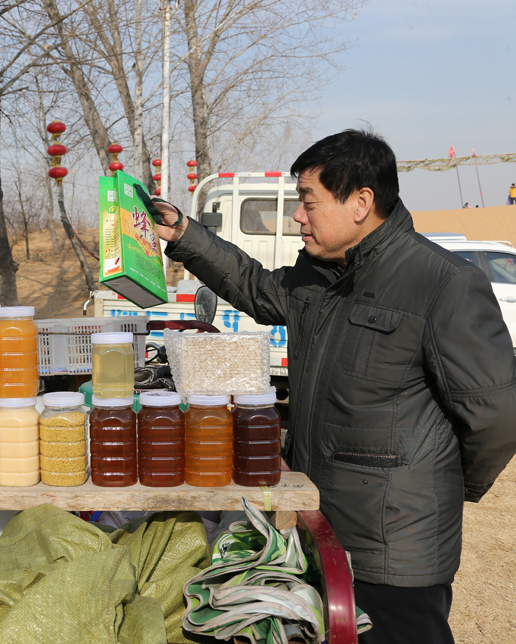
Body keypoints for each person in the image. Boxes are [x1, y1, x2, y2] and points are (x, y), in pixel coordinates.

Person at [154, 129, 516, 644]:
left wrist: (446, 486)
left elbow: (497, 415)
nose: (297, 216)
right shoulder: (320, 275)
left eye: (308, 202)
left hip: (394, 551)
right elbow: (258, 288)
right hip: (317, 528)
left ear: (361, 203)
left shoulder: (441, 284)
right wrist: (187, 235)